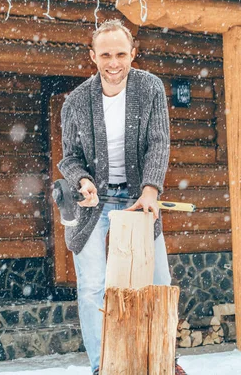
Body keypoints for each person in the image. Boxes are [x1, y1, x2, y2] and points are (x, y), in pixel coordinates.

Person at [58, 20, 186, 375]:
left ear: (133, 53)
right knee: (93, 287)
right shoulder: (76, 102)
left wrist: (150, 189)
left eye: (119, 54)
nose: (113, 63)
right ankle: (104, 366)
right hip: (93, 205)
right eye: (105, 55)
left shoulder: (150, 88)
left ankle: (163, 361)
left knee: (158, 282)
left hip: (138, 197)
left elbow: (159, 142)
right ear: (92, 56)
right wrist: (82, 180)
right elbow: (69, 158)